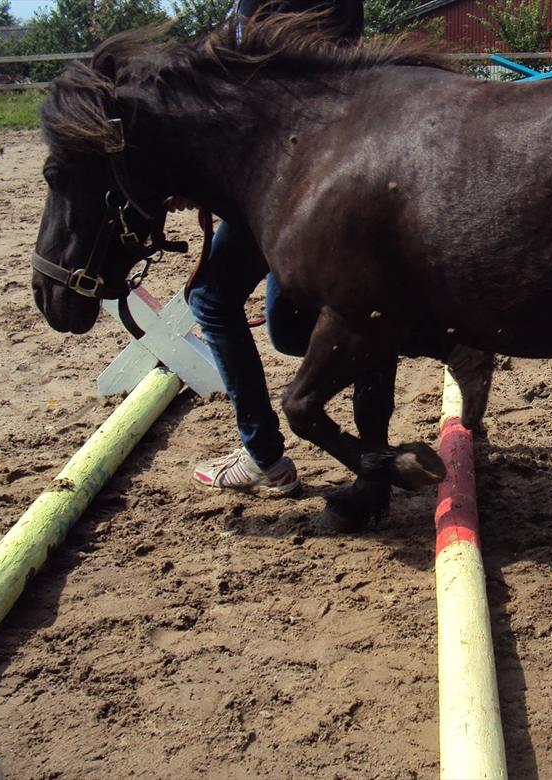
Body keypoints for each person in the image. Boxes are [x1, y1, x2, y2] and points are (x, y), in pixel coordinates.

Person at [190, 0, 364, 495]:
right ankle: (441, 341)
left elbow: (247, 79)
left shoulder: (260, 15)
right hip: (331, 146)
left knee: (213, 298)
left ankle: (263, 455)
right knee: (288, 330)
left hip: (286, 165)